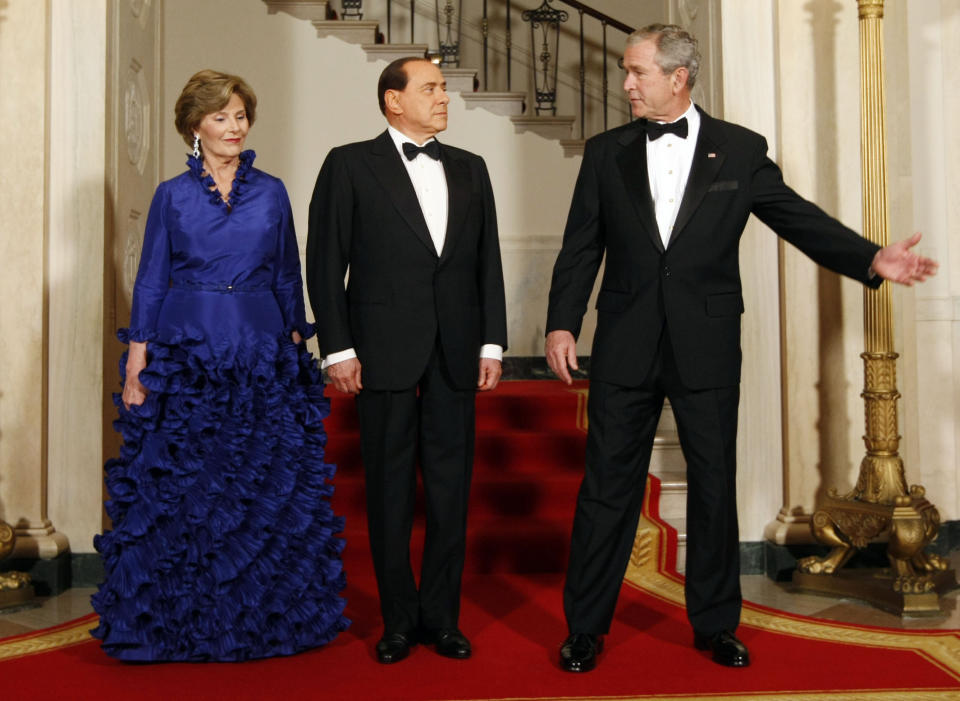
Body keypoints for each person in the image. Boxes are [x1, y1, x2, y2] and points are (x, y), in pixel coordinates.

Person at [545, 24, 938, 673]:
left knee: (713, 483)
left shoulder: (738, 148)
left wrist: (872, 257)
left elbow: (796, 215)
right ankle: (585, 626)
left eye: (637, 71)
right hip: (625, 342)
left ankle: (716, 624)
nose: (626, 84)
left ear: (679, 77)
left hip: (706, 343)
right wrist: (562, 322)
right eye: (626, 71)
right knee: (606, 487)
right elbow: (581, 244)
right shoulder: (605, 151)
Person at [92, 70, 349, 662]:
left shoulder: (274, 191)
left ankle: (261, 621)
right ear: (194, 127)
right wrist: (137, 361)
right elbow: (152, 277)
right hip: (187, 353)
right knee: (188, 491)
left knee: (258, 490)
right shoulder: (170, 196)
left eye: (240, 116)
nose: (234, 127)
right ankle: (181, 624)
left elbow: (288, 272)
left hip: (261, 350)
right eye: (220, 118)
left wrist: (297, 348)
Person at [305, 56, 507, 665]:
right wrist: (338, 348)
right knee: (389, 492)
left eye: (444, 88)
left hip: (454, 352)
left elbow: (486, 263)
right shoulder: (348, 164)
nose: (445, 97)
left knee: (451, 492)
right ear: (394, 101)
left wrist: (491, 342)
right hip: (381, 353)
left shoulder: (471, 168)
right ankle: (397, 621)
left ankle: (442, 619)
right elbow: (324, 261)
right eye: (431, 88)